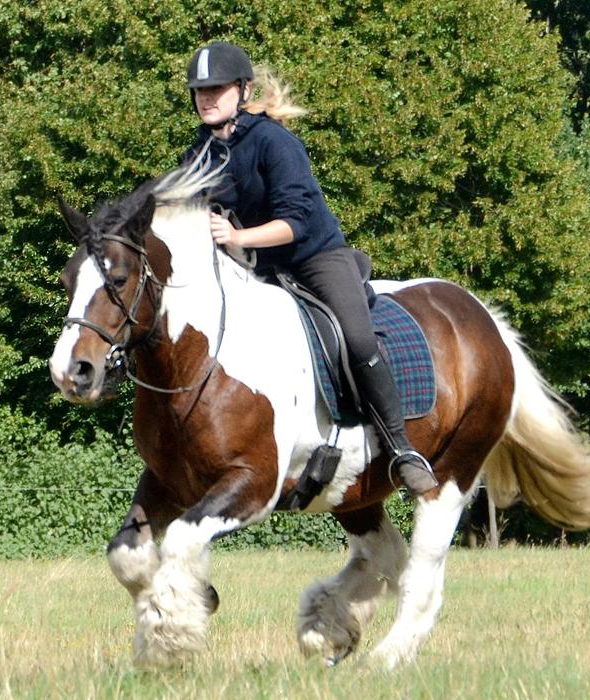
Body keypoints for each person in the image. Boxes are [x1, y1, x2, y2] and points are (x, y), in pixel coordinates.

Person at [182, 41, 439, 495]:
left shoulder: (273, 142)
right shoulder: (197, 155)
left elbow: (295, 223)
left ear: (242, 91)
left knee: (357, 339)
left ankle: (401, 448)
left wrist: (237, 237)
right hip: (253, 271)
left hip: (313, 258)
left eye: (216, 88)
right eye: (200, 89)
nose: (206, 97)